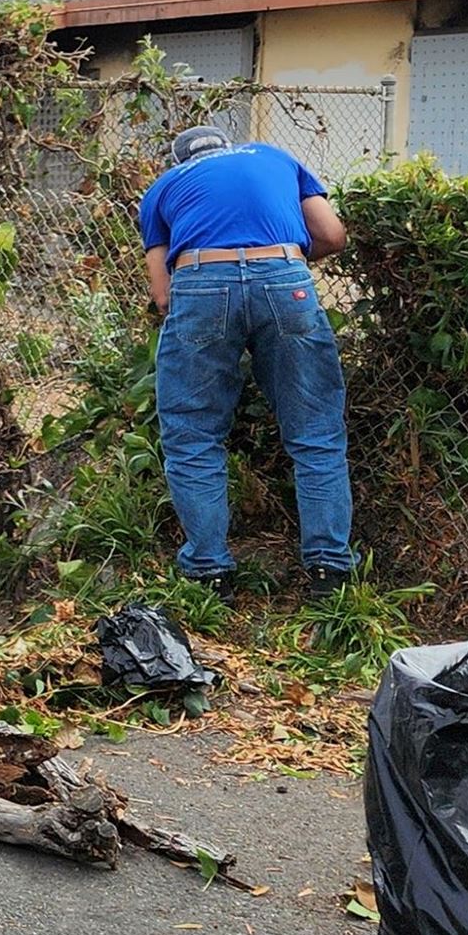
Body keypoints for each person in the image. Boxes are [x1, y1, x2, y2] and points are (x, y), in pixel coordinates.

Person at [137, 120, 354, 594]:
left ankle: (210, 570)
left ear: (183, 162)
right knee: (316, 431)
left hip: (201, 280)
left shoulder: (164, 187)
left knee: (192, 434)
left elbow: (162, 294)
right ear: (229, 147)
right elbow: (334, 235)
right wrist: (275, 263)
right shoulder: (274, 157)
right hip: (285, 277)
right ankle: (328, 570)